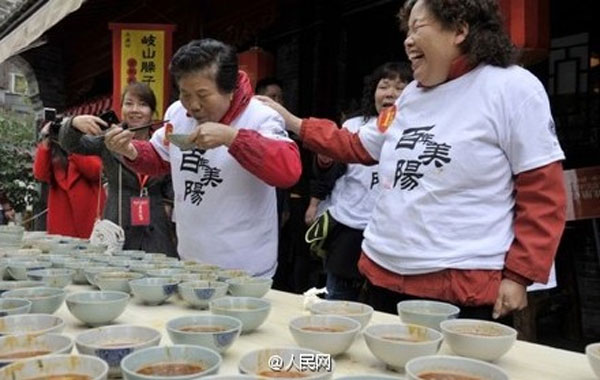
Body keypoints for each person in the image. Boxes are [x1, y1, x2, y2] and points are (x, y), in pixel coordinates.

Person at [258, 0, 566, 320]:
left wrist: (518, 275)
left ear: (460, 29)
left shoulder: (512, 87)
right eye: (407, 30)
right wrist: (293, 122)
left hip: (460, 283)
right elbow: (359, 145)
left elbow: (542, 191)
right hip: (383, 272)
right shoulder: (410, 97)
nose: (407, 40)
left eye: (418, 27)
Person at [102, 38, 301, 277]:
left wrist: (232, 138)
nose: (193, 105)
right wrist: (131, 150)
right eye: (186, 94)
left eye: (203, 95)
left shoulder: (261, 117)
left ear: (229, 89)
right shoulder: (177, 112)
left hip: (245, 270)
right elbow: (161, 157)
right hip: (190, 262)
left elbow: (289, 171)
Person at [310, 62, 412, 301]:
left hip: (394, 236)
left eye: (399, 87)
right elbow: (328, 173)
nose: (389, 93)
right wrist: (325, 161)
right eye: (383, 86)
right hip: (350, 231)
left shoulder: (419, 132)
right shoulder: (354, 127)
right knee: (339, 303)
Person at [58, 82, 177, 256]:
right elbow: (72, 145)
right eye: (129, 103)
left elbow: (172, 180)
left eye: (143, 104)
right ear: (121, 109)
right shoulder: (109, 140)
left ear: (153, 112)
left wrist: (168, 204)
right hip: (117, 223)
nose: (135, 109)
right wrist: (73, 124)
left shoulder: (161, 143)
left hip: (157, 226)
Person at [33, 121, 106, 238]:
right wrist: (45, 141)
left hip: (89, 218)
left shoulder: (89, 147)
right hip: (62, 221)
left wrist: (72, 146)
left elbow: (94, 171)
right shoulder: (54, 157)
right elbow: (40, 174)